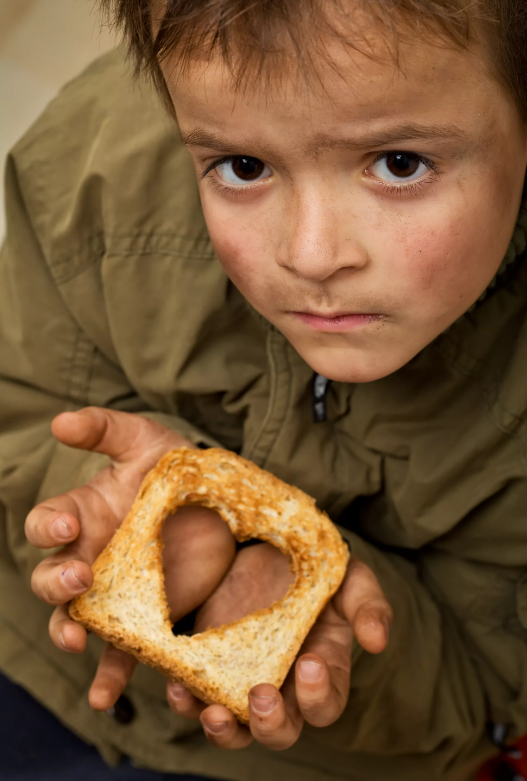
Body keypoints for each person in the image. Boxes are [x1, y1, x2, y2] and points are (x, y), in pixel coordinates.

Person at [1, 0, 527, 779]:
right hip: (30, 655)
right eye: (243, 167)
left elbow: (484, 684)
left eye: (398, 163)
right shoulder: (93, 171)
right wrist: (97, 503)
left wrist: (335, 632)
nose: (310, 254)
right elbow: (21, 408)